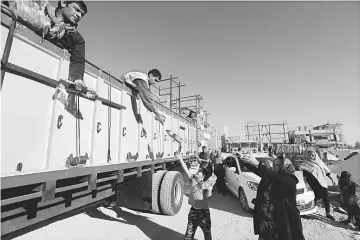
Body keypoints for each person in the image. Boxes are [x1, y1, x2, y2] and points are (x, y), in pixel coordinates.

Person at [241, 155, 305, 240]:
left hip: (280, 220)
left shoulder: (289, 180)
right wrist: (244, 160)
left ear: (285, 167)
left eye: (277, 165)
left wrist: (257, 163)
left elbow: (271, 175)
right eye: (273, 164)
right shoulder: (272, 175)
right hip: (266, 220)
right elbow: (260, 172)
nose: (274, 166)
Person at [42, 1, 88, 88]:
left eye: (82, 14)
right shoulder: (41, 9)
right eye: (77, 10)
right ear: (63, 3)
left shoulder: (77, 39)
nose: (79, 16)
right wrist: (42, 21)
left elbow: (78, 59)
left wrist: (78, 78)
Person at [174, 144, 214, 240]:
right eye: (197, 171)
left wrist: (210, 190)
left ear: (203, 176)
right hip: (193, 212)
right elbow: (186, 169)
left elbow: (209, 197)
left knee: (207, 235)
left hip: (204, 213)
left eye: (199, 171)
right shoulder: (193, 179)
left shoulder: (206, 184)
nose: (197, 172)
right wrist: (180, 158)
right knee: (188, 236)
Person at [298, 150, 336, 220]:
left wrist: (332, 179)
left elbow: (326, 171)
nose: (311, 156)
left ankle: (328, 213)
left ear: (315, 155)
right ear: (308, 156)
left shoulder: (319, 162)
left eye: (313, 155)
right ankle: (309, 211)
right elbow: (303, 174)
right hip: (312, 183)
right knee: (314, 197)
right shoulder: (306, 163)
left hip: (322, 182)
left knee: (325, 197)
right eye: (310, 155)